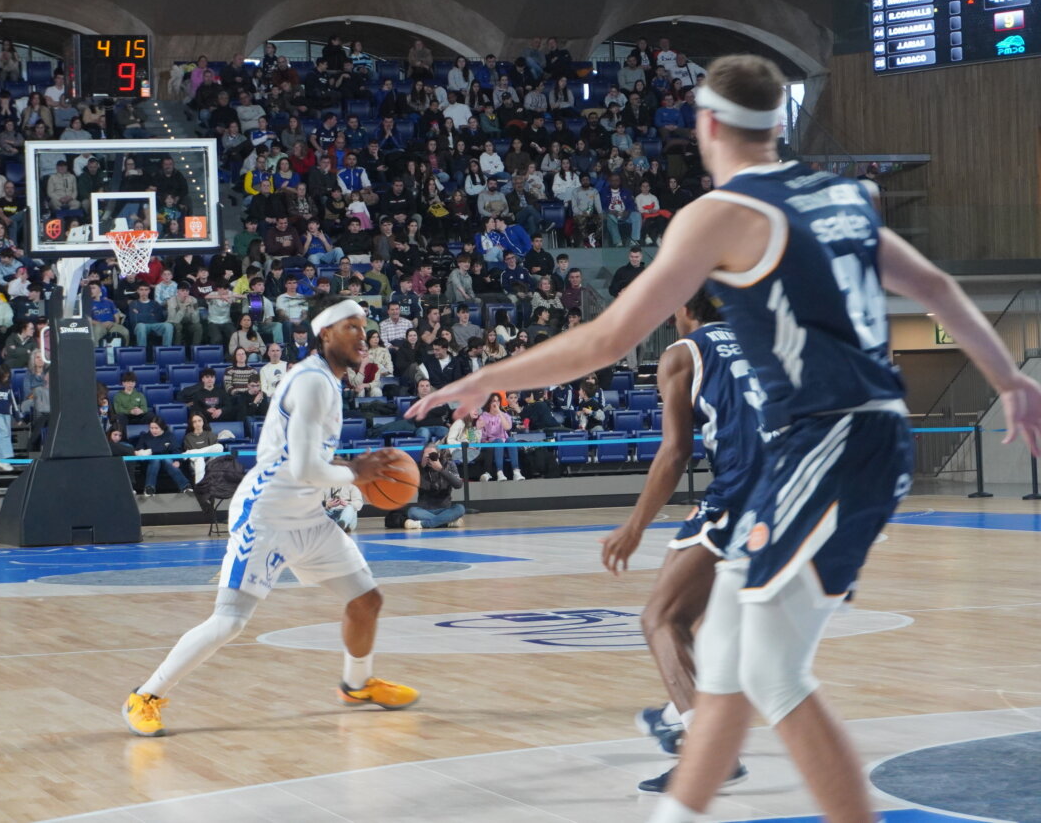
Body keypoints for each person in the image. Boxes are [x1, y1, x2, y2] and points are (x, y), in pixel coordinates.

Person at [408, 54, 1041, 823]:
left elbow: (609, 335)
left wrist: (484, 380)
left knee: (771, 676)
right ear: (779, 123)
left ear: (707, 124)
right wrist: (1009, 378)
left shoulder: (720, 214)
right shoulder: (848, 195)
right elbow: (937, 288)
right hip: (834, 443)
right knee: (730, 673)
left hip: (829, 441)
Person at [125, 297, 420, 737]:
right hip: (266, 516)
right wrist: (356, 472)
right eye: (351, 328)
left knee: (366, 601)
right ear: (325, 334)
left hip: (308, 515)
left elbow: (306, 458)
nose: (363, 335)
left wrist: (345, 466)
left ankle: (356, 686)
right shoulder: (313, 383)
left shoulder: (326, 381)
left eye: (364, 327)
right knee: (229, 621)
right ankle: (144, 695)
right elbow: (302, 469)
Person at [598, 289, 764, 792]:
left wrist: (634, 527)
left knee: (660, 619)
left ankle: (709, 754)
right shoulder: (762, 343)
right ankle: (676, 716)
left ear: (684, 310)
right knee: (696, 619)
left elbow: (674, 453)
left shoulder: (681, 353)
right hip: (801, 490)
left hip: (743, 488)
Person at [404, 443, 465, 530]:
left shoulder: (449, 465)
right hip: (424, 510)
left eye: (433, 455)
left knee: (460, 508)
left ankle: (422, 524)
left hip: (445, 509)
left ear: (439, 455)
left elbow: (458, 485)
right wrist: (421, 469)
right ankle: (446, 522)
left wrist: (441, 470)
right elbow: (409, 486)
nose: (430, 458)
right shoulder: (417, 467)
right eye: (427, 456)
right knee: (412, 511)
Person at [135, 416, 191, 496]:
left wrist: (177, 460)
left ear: (162, 427)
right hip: (149, 463)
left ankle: (185, 487)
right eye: (151, 428)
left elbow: (176, 449)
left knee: (166, 458)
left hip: (168, 463)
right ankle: (149, 488)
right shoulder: (145, 436)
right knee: (156, 459)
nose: (153, 430)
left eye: (156, 428)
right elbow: (139, 450)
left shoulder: (169, 436)